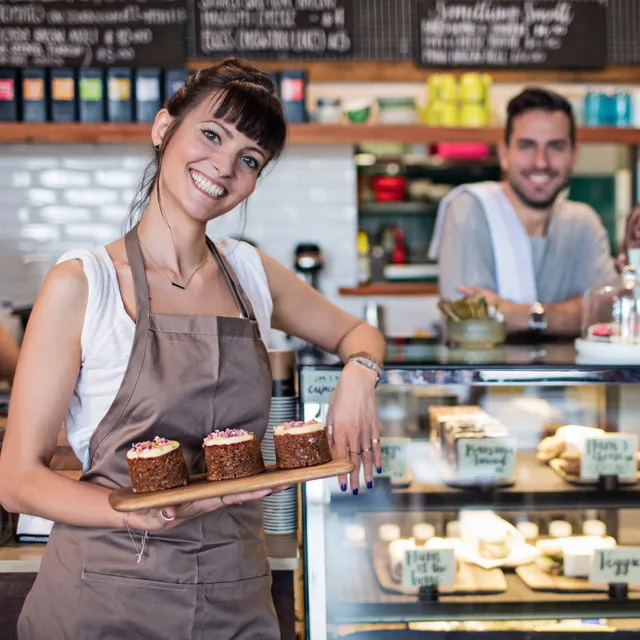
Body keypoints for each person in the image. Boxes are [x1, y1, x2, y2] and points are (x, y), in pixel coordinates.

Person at [0, 58, 385, 640]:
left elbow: (360, 333)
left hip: (236, 596)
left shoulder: (250, 273)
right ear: (163, 129)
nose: (223, 167)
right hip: (106, 597)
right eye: (211, 134)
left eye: (249, 159)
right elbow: (18, 480)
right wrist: (135, 509)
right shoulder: (84, 283)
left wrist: (358, 374)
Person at [429, 87, 617, 336]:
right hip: (485, 375)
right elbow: (470, 324)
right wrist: (569, 313)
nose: (541, 162)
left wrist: (520, 314)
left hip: (574, 375)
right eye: (527, 146)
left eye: (556, 147)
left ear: (574, 155)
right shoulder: (469, 209)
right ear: (504, 154)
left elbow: (608, 313)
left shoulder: (582, 223)